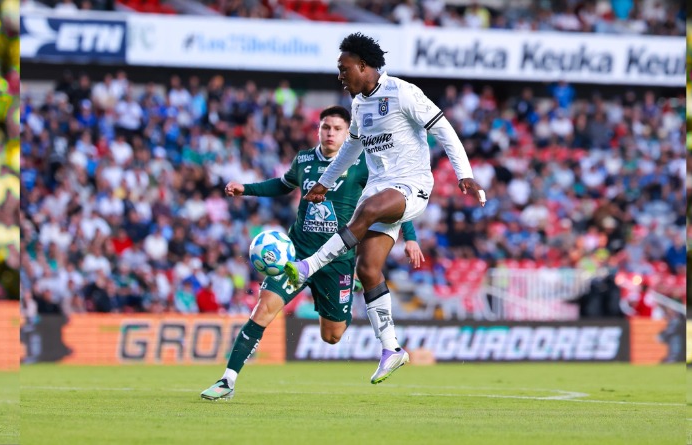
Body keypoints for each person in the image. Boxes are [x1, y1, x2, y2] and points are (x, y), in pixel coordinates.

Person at [284, 33, 486, 384]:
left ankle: (308, 266)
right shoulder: (359, 105)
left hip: (412, 185)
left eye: (344, 69)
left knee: (368, 210)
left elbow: (444, 130)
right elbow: (351, 150)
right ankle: (392, 348)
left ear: (363, 66)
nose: (340, 76)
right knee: (368, 269)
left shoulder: (402, 92)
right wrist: (325, 182)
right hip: (380, 189)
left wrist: (464, 175)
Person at [200, 106, 423, 400]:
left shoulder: (364, 165)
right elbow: (282, 184)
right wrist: (247, 189)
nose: (330, 133)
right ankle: (227, 381)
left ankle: (335, 291)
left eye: (337, 129)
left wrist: (410, 237)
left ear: (349, 133)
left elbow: (392, 200)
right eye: (325, 127)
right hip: (297, 255)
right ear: (318, 130)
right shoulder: (305, 159)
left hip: (337, 261)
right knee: (263, 308)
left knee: (331, 336)